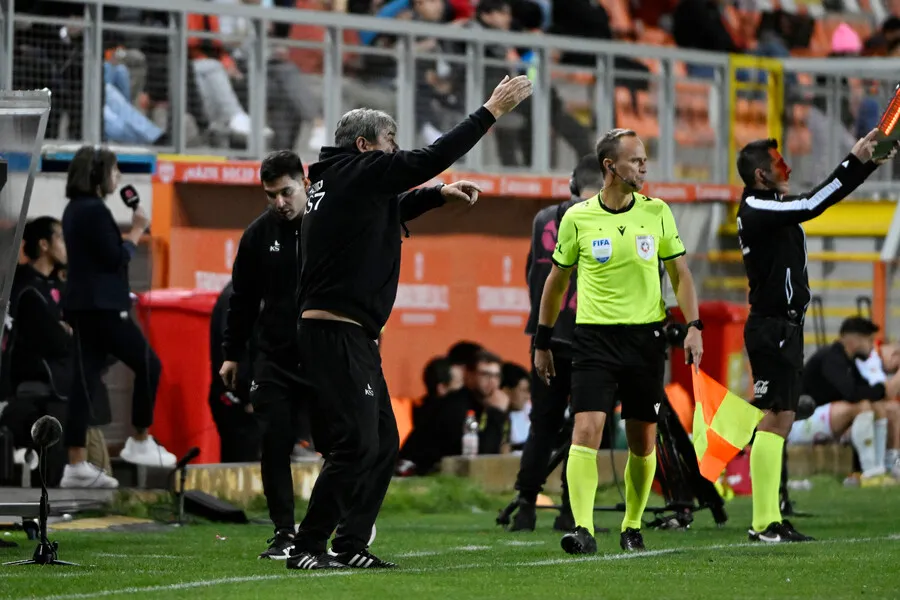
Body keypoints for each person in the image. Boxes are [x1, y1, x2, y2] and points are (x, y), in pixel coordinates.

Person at [287, 74, 533, 571]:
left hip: (349, 331)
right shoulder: (354, 172)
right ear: (364, 146)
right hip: (335, 331)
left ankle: (350, 543)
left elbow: (391, 205)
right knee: (357, 442)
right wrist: (490, 110)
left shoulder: (342, 179)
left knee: (382, 443)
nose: (395, 153)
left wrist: (437, 196)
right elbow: (427, 159)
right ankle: (309, 544)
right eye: (388, 144)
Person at [534, 128, 704, 555]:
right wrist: (543, 339)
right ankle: (584, 530)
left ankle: (631, 526)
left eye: (645, 159)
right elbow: (556, 283)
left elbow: (680, 274)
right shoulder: (577, 218)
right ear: (610, 167)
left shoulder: (658, 212)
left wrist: (695, 325)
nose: (644, 166)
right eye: (635, 160)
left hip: (645, 340)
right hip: (593, 340)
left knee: (642, 440)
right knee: (586, 428)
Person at [735, 130, 898, 543]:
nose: (786, 167)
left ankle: (771, 519)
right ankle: (764, 521)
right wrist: (854, 161)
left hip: (785, 326)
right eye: (778, 163)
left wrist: (866, 162)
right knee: (774, 419)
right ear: (760, 175)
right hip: (770, 326)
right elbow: (813, 203)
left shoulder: (770, 204)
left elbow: (815, 202)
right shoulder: (755, 205)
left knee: (783, 419)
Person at [60, 145, 176, 490]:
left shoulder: (73, 209)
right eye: (113, 171)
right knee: (148, 364)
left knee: (85, 382)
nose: (118, 177)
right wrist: (137, 229)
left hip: (84, 308)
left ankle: (76, 463)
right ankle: (139, 439)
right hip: (103, 309)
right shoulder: (93, 210)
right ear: (97, 176)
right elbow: (114, 258)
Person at [219, 150, 315, 560]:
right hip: (273, 357)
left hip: (322, 355)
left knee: (340, 442)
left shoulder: (327, 225)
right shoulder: (258, 235)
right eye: (271, 194)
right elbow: (241, 299)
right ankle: (283, 532)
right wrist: (231, 354)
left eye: (286, 192)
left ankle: (344, 523)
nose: (279, 202)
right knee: (274, 442)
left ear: (305, 183)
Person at [507, 153, 604, 533]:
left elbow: (533, 271)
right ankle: (570, 510)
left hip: (546, 335)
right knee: (586, 426)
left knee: (541, 425)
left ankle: (525, 506)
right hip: (590, 338)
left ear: (571, 182)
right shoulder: (606, 217)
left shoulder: (543, 218)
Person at [790, 317, 900, 486]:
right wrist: (882, 390)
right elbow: (851, 394)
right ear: (854, 340)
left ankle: (881, 468)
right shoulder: (830, 358)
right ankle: (869, 472)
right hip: (801, 423)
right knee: (861, 406)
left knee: (879, 406)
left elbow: (867, 392)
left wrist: (881, 392)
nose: (872, 346)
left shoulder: (850, 361)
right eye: (869, 340)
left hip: (825, 420)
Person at [209, 280, 261, 464]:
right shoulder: (237, 298)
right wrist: (249, 397)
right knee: (243, 469)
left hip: (245, 400)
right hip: (239, 405)